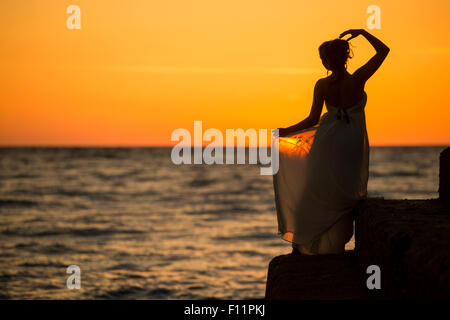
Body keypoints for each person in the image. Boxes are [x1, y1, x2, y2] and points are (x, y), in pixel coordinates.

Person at [274, 29, 389, 254]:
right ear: (345, 57)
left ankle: (302, 243)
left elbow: (312, 119)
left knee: (315, 188)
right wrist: (363, 32)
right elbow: (383, 51)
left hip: (325, 142)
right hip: (349, 143)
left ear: (327, 60)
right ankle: (335, 246)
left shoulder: (322, 85)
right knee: (344, 192)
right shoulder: (357, 79)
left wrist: (286, 130)